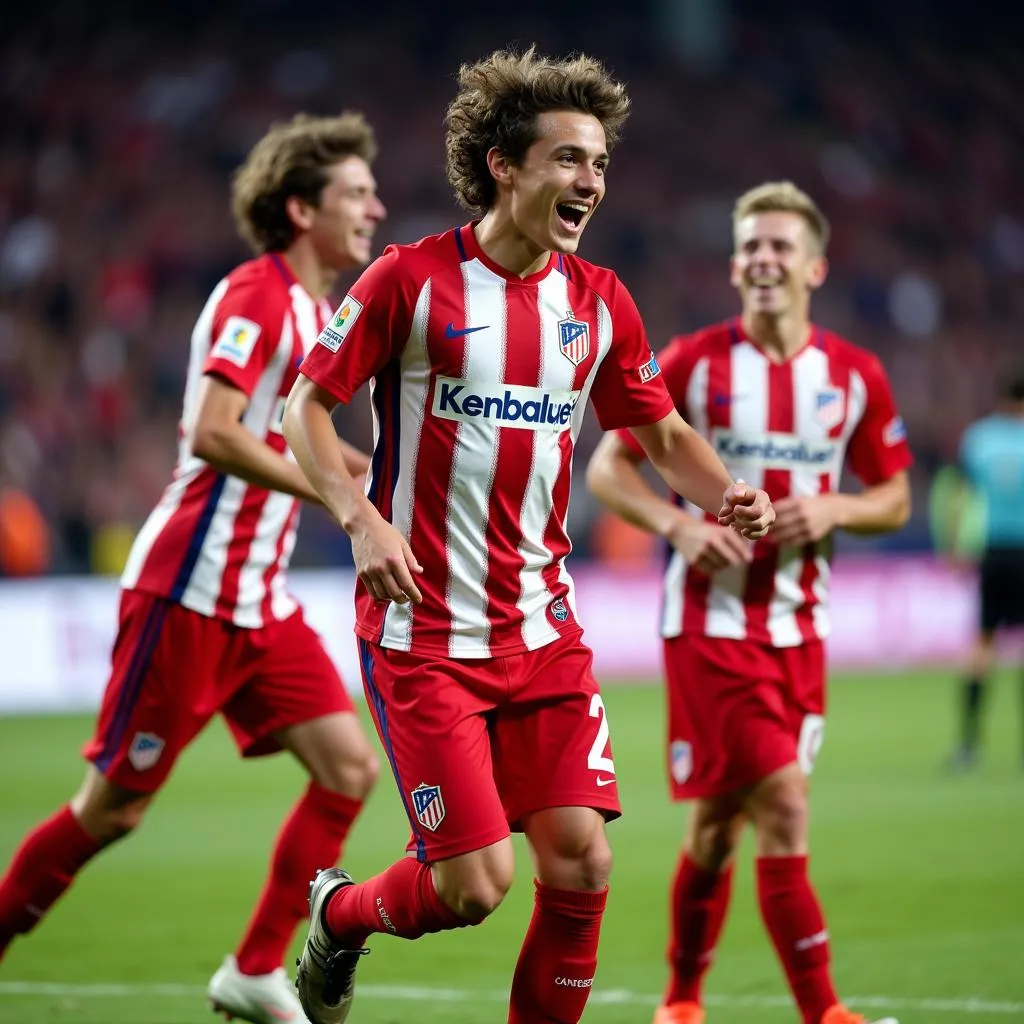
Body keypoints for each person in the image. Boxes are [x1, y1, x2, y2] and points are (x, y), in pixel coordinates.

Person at [281, 47, 775, 1024]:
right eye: (566, 159)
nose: (587, 180)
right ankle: (339, 915)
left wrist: (730, 493)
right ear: (505, 165)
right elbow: (305, 408)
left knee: (583, 858)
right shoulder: (407, 281)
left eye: (597, 162)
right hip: (424, 636)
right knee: (473, 886)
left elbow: (661, 431)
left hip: (542, 632)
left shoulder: (597, 302)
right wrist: (360, 518)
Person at [0, 112, 387, 1024]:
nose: (373, 209)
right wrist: (334, 494)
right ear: (301, 209)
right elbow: (213, 434)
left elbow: (306, 447)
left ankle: (254, 970)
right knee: (113, 809)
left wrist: (371, 477)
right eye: (355, 195)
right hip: (189, 591)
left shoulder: (316, 311)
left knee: (348, 769)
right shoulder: (256, 294)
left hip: (259, 599)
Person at [586, 181, 912, 1024]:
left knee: (717, 828)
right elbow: (607, 469)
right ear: (735, 267)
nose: (764, 259)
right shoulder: (693, 361)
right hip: (709, 623)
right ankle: (826, 1011)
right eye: (751, 247)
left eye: (780, 247)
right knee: (785, 802)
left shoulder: (854, 376)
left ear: (815, 266)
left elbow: (897, 498)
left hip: (802, 627)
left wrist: (838, 507)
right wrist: (679, 527)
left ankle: (680, 1002)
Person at [945, 372, 1024, 770]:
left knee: (982, 645)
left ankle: (969, 744)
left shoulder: (979, 438)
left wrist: (957, 545)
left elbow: (961, 494)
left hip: (994, 553)